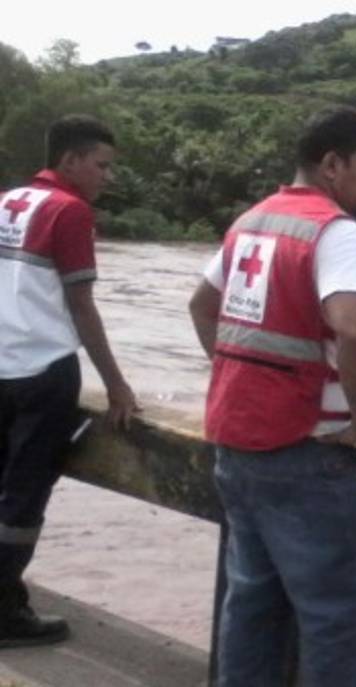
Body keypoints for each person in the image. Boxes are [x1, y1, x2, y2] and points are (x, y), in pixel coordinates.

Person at [187, 107, 356, 687]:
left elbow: (202, 306)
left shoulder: (253, 220)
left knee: (251, 604)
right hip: (307, 452)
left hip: (236, 445)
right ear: (332, 165)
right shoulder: (337, 231)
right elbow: (352, 328)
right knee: (336, 622)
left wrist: (241, 376)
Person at [0, 114, 140, 647]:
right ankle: (5, 613)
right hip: (43, 371)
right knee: (24, 494)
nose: (108, 177)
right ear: (71, 161)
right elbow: (82, 307)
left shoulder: (8, 200)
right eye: (102, 166)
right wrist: (117, 386)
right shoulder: (70, 210)